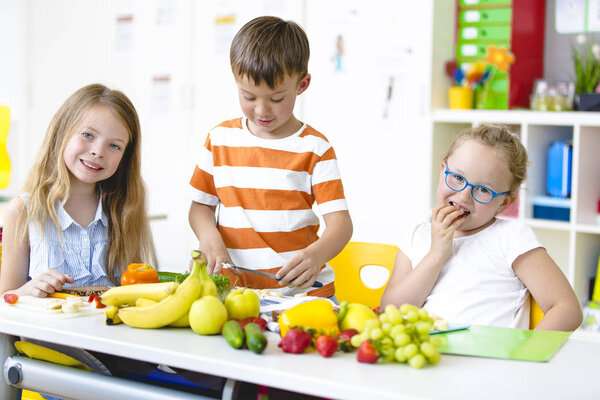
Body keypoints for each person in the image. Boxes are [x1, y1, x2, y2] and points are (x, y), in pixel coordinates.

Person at [188, 16, 353, 298]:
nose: (262, 110)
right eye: (248, 96)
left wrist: (316, 256)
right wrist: (208, 236)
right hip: (235, 292)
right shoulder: (219, 139)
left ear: (302, 85)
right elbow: (200, 207)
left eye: (276, 99)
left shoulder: (315, 148)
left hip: (302, 294)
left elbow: (341, 225)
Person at [381, 124, 582, 331]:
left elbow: (566, 308)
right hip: (429, 358)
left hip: (490, 361)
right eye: (458, 178)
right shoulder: (416, 237)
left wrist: (525, 358)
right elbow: (391, 310)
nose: (463, 196)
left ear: (504, 203)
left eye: (483, 190)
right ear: (443, 170)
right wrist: (436, 255)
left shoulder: (511, 237)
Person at [0, 83, 154, 297]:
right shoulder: (23, 210)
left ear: (125, 157)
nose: (98, 152)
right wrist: (27, 291)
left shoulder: (125, 210)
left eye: (114, 146)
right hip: (44, 330)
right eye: (88, 135)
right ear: (62, 133)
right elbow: (5, 301)